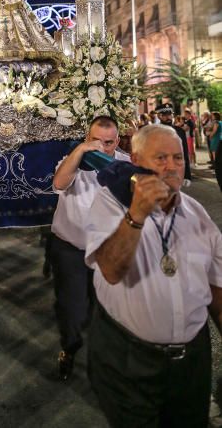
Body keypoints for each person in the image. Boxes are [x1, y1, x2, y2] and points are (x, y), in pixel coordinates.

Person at [86, 124, 222, 427]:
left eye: (177, 158)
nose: (171, 167)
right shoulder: (109, 203)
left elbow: (216, 288)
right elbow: (110, 269)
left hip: (192, 363)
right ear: (136, 159)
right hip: (129, 362)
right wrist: (136, 215)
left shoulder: (197, 214)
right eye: (160, 158)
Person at [50, 116, 130, 381]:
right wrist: (82, 151)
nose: (102, 147)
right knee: (71, 307)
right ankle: (69, 348)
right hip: (71, 247)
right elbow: (60, 183)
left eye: (108, 143)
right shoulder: (73, 159)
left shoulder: (126, 164)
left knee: (105, 309)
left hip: (107, 250)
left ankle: (102, 360)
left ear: (116, 141)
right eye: (96, 141)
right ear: (87, 139)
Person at [154, 103, 191, 181]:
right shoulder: (155, 132)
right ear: (159, 116)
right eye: (165, 115)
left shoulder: (180, 131)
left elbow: (185, 153)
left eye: (170, 114)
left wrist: (187, 175)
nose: (168, 117)